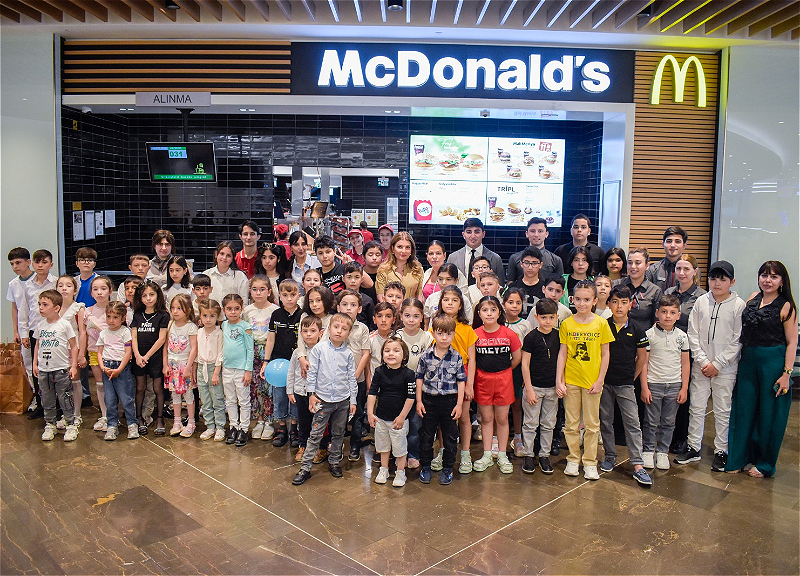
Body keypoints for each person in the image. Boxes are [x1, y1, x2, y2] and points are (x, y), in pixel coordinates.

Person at [726, 261, 797, 477]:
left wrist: (786, 374)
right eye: (764, 275)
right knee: (743, 411)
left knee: (769, 415)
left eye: (774, 277)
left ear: (782, 281)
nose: (768, 280)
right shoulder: (752, 298)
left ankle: (765, 463)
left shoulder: (786, 306)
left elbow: (792, 342)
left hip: (772, 363)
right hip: (748, 361)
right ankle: (739, 458)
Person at [676, 261, 745, 471]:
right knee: (697, 407)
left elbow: (738, 339)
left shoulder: (738, 305)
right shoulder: (701, 302)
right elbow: (693, 333)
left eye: (723, 279)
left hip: (726, 367)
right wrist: (704, 361)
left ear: (732, 282)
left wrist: (718, 363)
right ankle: (693, 446)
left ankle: (721, 450)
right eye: (713, 278)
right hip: (701, 365)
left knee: (722, 409)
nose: (717, 283)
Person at [557, 280, 614, 480]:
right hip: (571, 380)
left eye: (587, 300)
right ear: (572, 299)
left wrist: (600, 380)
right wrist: (559, 380)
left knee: (592, 425)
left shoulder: (601, 323)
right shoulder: (567, 324)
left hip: (592, 382)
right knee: (571, 424)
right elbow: (562, 353)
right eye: (579, 299)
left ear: (595, 301)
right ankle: (573, 459)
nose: (582, 303)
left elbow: (605, 354)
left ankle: (590, 462)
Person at [292, 313, 357, 485]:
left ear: (348, 333)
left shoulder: (348, 354)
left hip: (342, 401)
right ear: (329, 329)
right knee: (315, 434)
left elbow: (351, 378)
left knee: (338, 433)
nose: (339, 331)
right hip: (322, 400)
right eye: (336, 327)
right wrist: (311, 395)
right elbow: (312, 373)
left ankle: (334, 462)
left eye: (344, 329)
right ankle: (305, 467)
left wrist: (353, 400)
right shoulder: (319, 349)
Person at [599, 285, 652, 486]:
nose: (619, 307)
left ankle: (637, 463)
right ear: (609, 304)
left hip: (626, 384)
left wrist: (632, 377)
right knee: (606, 420)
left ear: (631, 304)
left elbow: (642, 358)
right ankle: (610, 455)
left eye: (623, 302)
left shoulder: (637, 329)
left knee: (632, 423)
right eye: (615, 302)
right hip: (605, 383)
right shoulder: (603, 325)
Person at [471, 296, 522, 474]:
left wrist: (504, 372)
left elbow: (517, 358)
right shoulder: (475, 334)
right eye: (485, 310)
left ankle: (502, 454)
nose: (489, 314)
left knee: (502, 419)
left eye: (493, 310)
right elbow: (473, 360)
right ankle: (487, 454)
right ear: (479, 313)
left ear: (500, 312)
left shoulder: (509, 334)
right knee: (486, 419)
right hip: (482, 381)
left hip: (504, 381)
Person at [430, 286, 477, 474]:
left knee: (463, 416)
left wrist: (469, 384)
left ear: (461, 305)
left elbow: (472, 359)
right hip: (441, 375)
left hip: (462, 375)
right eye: (446, 299)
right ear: (440, 303)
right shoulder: (434, 327)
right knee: (444, 417)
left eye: (454, 300)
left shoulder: (467, 329)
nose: (450, 303)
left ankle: (465, 454)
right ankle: (443, 451)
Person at [641, 294, 690, 471]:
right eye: (664, 312)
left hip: (674, 385)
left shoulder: (682, 336)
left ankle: (662, 451)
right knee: (651, 421)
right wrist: (644, 387)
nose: (668, 316)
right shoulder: (649, 334)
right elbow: (644, 362)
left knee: (669, 422)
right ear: (657, 313)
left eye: (672, 312)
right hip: (654, 384)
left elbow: (685, 363)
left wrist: (684, 388)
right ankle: (648, 450)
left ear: (678, 315)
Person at [416, 314, 466, 485]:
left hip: (449, 402)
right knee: (426, 436)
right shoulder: (426, 356)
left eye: (448, 334)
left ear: (454, 334)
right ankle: (425, 467)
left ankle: (447, 468)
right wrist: (419, 401)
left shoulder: (457, 357)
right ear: (433, 334)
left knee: (450, 437)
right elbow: (419, 378)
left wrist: (459, 404)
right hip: (429, 401)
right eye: (440, 333)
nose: (444, 338)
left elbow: (461, 381)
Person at [664, 254, 706, 454]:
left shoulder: (702, 297)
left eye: (686, 269)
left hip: (688, 350)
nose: (681, 273)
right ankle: (667, 435)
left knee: (684, 394)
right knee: (669, 393)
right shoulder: (669, 292)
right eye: (678, 268)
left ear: (695, 271)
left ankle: (682, 437)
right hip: (667, 349)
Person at [367, 336, 416, 487]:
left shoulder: (408, 374)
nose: (391, 354)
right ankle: (384, 469)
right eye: (387, 351)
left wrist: (402, 417)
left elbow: (410, 397)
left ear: (404, 355)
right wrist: (370, 413)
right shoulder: (379, 371)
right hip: (381, 418)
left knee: (400, 448)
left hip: (398, 420)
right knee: (383, 447)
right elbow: (372, 393)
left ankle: (400, 471)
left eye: (396, 350)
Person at [521, 298, 562, 475]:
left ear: (557, 317)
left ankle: (544, 455)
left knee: (548, 423)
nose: (547, 321)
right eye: (544, 317)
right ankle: (528, 454)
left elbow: (562, 361)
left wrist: (560, 383)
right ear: (536, 317)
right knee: (530, 423)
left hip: (552, 388)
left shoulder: (559, 336)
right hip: (534, 388)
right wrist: (529, 389)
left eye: (551, 318)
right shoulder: (531, 337)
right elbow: (525, 364)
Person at [33, 289, 78, 442]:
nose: (41, 308)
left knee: (65, 397)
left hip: (61, 369)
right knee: (47, 398)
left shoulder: (64, 325)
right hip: (44, 369)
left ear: (56, 307)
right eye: (39, 304)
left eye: (45, 305)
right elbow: (37, 346)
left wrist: (73, 366)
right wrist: (35, 364)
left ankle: (70, 424)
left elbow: (73, 346)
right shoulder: (40, 326)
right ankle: (50, 424)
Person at [331, 290, 371, 462]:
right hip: (337, 381)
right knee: (337, 414)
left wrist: (355, 375)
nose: (348, 308)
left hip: (356, 379)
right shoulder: (333, 325)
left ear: (359, 309)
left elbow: (365, 354)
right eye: (345, 304)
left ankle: (355, 445)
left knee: (358, 413)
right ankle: (336, 446)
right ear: (338, 307)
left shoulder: (362, 329)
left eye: (353, 305)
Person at [396, 297, 434, 469]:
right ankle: (399, 454)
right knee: (399, 422)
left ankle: (413, 454)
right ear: (401, 316)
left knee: (416, 424)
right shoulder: (397, 336)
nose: (411, 320)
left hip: (420, 388)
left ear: (422, 317)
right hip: (401, 388)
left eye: (416, 316)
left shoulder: (427, 337)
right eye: (407, 315)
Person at [130, 279, 170, 436]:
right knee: (140, 387)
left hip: (155, 357)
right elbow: (133, 337)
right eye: (144, 295)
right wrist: (137, 355)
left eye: (151, 294)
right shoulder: (137, 314)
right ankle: (139, 418)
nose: (148, 298)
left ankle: (160, 419)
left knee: (157, 388)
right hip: (139, 357)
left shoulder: (163, 315)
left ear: (158, 295)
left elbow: (162, 338)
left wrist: (147, 355)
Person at [243, 275, 278, 442]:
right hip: (252, 351)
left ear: (269, 291)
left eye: (262, 289)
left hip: (269, 352)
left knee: (268, 388)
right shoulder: (247, 311)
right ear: (250, 291)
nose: (258, 293)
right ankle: (259, 420)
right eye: (255, 289)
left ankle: (269, 421)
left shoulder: (274, 310)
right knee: (255, 388)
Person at [24, 249, 58, 419]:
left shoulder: (56, 283)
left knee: (55, 369)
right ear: (32, 264)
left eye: (44, 262)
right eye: (37, 262)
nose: (40, 265)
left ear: (51, 264)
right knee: (37, 370)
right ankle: (40, 404)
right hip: (35, 331)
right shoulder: (28, 285)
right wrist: (24, 332)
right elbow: (24, 310)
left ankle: (57, 406)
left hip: (53, 331)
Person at [96, 301, 136, 441]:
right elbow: (99, 352)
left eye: (115, 317)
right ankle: (112, 425)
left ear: (123, 318)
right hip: (107, 367)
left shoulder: (125, 332)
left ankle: (132, 423)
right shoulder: (103, 333)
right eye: (108, 317)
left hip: (121, 368)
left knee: (126, 398)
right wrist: (103, 367)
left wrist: (119, 369)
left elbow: (128, 352)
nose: (111, 320)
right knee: (110, 399)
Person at [287, 315, 323, 462]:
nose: (309, 334)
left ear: (320, 333)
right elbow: (291, 372)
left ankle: (318, 448)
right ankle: (303, 445)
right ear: (301, 333)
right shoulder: (297, 352)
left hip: (317, 394)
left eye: (313, 331)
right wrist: (290, 391)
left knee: (318, 422)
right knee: (303, 421)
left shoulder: (323, 351)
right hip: (300, 392)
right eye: (305, 331)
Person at [221, 293, 254, 447]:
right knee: (230, 400)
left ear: (241, 309)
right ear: (224, 310)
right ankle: (233, 426)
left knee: (244, 400)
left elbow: (250, 349)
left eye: (236, 308)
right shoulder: (224, 325)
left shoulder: (245, 327)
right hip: (227, 368)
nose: (233, 312)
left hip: (241, 370)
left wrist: (248, 370)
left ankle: (244, 428)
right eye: (229, 309)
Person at [503, 288, 532, 457]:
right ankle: (496, 438)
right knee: (500, 406)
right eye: (510, 302)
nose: (514, 306)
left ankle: (517, 437)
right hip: (500, 369)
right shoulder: (498, 323)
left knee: (517, 404)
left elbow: (527, 351)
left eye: (518, 303)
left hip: (517, 370)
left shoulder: (525, 325)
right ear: (503, 304)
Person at [56, 275, 86, 428]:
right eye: (60, 285)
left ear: (75, 290)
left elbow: (82, 332)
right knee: (61, 384)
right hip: (57, 350)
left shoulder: (78, 308)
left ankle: (76, 414)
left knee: (74, 381)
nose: (64, 288)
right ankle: (65, 413)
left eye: (68, 285)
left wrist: (81, 354)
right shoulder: (54, 308)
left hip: (73, 349)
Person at [6, 247, 35, 407]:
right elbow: (15, 308)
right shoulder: (13, 284)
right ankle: (36, 396)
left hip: (39, 326)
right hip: (24, 329)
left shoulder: (37, 279)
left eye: (18, 262)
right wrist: (15, 331)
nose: (15, 266)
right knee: (28, 362)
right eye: (12, 264)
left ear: (28, 262)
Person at [84, 276, 113, 431]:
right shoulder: (87, 312)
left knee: (113, 385)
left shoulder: (117, 309)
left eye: (103, 288)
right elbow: (84, 334)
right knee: (100, 384)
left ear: (110, 291)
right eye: (95, 289)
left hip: (113, 354)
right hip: (95, 352)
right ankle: (104, 415)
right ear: (91, 293)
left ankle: (114, 415)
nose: (99, 292)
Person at [196, 299, 226, 441]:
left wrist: (216, 373)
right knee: (205, 400)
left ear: (217, 317)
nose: (208, 319)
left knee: (217, 398)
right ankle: (210, 426)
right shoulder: (199, 332)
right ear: (200, 317)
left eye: (212, 316)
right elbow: (196, 352)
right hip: (201, 368)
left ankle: (220, 427)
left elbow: (220, 354)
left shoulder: (219, 333)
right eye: (205, 316)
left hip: (214, 368)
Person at [618, 248, 662, 335]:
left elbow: (657, 320)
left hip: (643, 337)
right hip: (618, 336)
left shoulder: (655, 291)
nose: (633, 266)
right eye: (630, 263)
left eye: (638, 263)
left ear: (647, 265)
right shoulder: (617, 285)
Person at [447, 218, 505, 285]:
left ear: (483, 234)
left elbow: (500, 285)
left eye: (477, 232)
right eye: (469, 232)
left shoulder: (495, 258)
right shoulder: (453, 258)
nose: (473, 236)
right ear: (463, 235)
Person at [507, 217, 564, 283]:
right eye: (533, 231)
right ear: (527, 234)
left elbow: (559, 285)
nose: (536, 235)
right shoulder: (515, 258)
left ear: (546, 234)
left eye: (540, 231)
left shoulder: (556, 260)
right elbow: (510, 284)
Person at [376, 232, 424, 301]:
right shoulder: (383, 269)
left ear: (411, 250)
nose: (403, 251)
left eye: (407, 247)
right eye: (400, 247)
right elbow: (381, 296)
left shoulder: (418, 269)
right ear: (393, 248)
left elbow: (420, 296)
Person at [424, 263, 474, 328]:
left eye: (448, 279)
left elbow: (469, 323)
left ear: (456, 280)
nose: (443, 283)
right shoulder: (432, 298)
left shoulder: (463, 299)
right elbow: (426, 321)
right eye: (440, 279)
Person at [646, 226, 694, 291]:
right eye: (669, 241)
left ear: (684, 245)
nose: (673, 245)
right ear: (663, 244)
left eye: (677, 241)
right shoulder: (652, 269)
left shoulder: (692, 269)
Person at [204, 241, 250, 305]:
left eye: (228, 256)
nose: (224, 258)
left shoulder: (240, 277)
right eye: (222, 254)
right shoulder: (206, 274)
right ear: (216, 254)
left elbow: (244, 303)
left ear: (232, 259)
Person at [509, 247, 546, 319]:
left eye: (534, 263)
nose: (530, 267)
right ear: (521, 264)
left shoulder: (546, 289)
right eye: (526, 263)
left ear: (540, 265)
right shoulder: (512, 287)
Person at [561, 246, 593, 313]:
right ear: (571, 263)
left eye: (584, 260)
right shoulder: (562, 280)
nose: (580, 264)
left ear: (589, 263)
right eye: (576, 260)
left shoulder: (594, 282)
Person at [342, 261, 374, 330]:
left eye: (357, 277)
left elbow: (372, 322)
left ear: (362, 279)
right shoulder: (338, 299)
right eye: (349, 277)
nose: (353, 281)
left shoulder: (368, 301)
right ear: (343, 279)